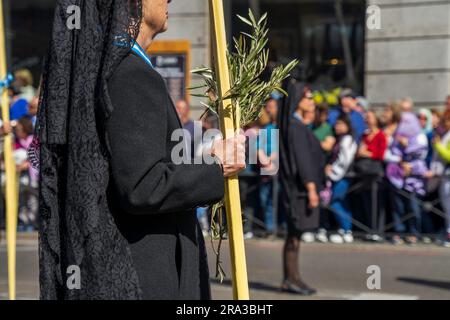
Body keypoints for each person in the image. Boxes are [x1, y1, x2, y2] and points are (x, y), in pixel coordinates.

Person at [37, 0, 246, 300]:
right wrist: (216, 165)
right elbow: (143, 186)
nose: (170, 0)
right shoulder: (131, 73)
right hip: (143, 271)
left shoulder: (105, 69)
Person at [279, 86, 325, 295]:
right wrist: (311, 189)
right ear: (298, 101)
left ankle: (293, 278)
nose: (312, 101)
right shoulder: (295, 126)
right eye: (308, 97)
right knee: (294, 235)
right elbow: (303, 161)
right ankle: (291, 279)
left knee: (295, 236)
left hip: (299, 189)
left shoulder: (298, 125)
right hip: (298, 190)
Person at [386, 112, 430, 245]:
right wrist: (400, 162)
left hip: (414, 178)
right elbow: (391, 153)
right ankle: (399, 231)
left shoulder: (420, 136)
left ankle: (414, 233)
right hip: (398, 176)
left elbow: (421, 154)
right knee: (398, 206)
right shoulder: (397, 136)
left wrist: (407, 146)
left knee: (413, 206)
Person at [326, 114, 358, 244]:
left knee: (335, 202)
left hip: (342, 176)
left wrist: (332, 169)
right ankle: (343, 229)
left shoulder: (347, 139)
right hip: (339, 175)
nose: (337, 126)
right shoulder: (340, 139)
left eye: (340, 124)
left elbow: (345, 160)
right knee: (342, 203)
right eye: (336, 124)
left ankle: (346, 230)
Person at [257, 99, 279, 235]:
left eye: (272, 107)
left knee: (276, 199)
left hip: (279, 169)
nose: (269, 110)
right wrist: (266, 162)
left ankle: (280, 227)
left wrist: (273, 159)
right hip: (266, 169)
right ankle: (270, 228)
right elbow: (258, 147)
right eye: (267, 107)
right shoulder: (267, 128)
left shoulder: (283, 127)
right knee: (264, 199)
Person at [431, 110, 450, 247]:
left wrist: (438, 145)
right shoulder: (445, 135)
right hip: (444, 175)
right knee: (446, 206)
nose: (444, 124)